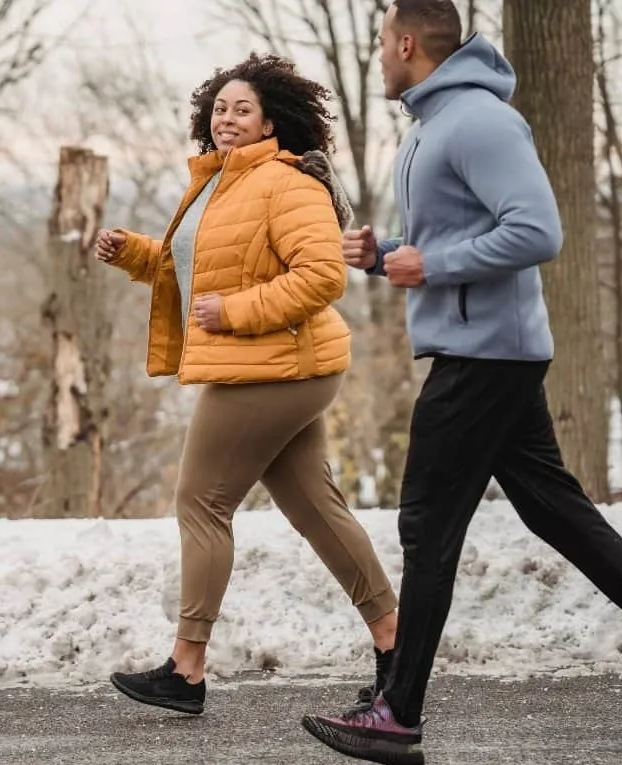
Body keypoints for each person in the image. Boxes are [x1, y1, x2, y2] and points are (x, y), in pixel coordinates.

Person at [299, 0, 622, 765]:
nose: (377, 56)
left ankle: (397, 714)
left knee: (426, 526)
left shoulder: (478, 121)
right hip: (481, 348)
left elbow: (538, 229)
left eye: (381, 43)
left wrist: (430, 265)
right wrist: (389, 254)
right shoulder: (434, 125)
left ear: (407, 43)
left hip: (486, 357)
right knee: (555, 511)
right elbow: (456, 238)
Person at [97, 53, 400, 716]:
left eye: (243, 110)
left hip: (271, 367)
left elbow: (322, 276)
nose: (227, 119)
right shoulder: (216, 185)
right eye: (220, 108)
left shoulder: (286, 183)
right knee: (314, 507)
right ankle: (395, 644)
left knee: (201, 502)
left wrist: (233, 312)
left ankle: (186, 668)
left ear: (272, 123)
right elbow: (196, 273)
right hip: (277, 367)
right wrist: (133, 254)